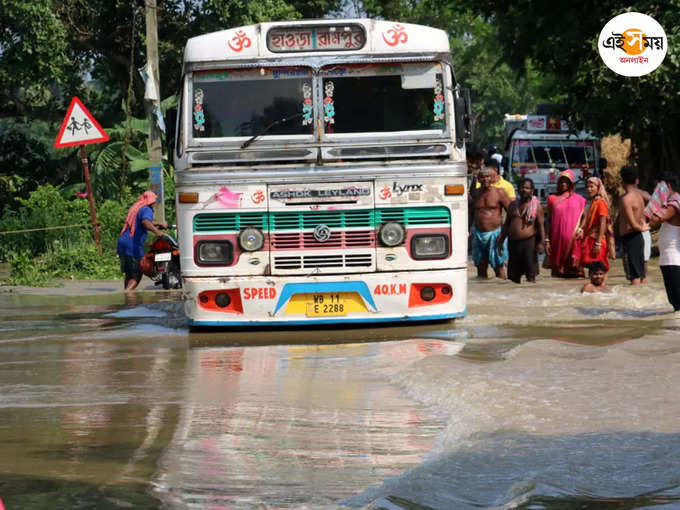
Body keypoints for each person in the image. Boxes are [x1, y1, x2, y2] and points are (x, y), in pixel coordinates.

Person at [498, 177, 545, 283]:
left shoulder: (536, 206)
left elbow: (541, 226)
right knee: (514, 278)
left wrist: (542, 242)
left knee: (530, 276)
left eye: (527, 188)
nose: (524, 190)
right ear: (518, 189)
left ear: (532, 190)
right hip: (513, 243)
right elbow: (506, 225)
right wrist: (500, 241)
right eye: (522, 187)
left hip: (529, 243)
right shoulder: (512, 205)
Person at [117, 191, 167, 291]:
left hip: (123, 242)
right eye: (154, 200)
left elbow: (142, 221)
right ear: (151, 200)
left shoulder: (138, 207)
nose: (155, 202)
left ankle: (128, 301)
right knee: (138, 273)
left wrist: (158, 224)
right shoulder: (147, 209)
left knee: (129, 273)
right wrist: (157, 232)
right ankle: (127, 295)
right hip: (132, 245)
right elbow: (145, 222)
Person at [545, 169, 586, 277]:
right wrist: (547, 239)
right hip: (556, 241)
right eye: (561, 181)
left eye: (566, 181)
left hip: (574, 241)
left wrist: (581, 229)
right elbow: (548, 220)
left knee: (576, 274)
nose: (564, 183)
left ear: (571, 183)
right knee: (557, 275)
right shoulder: (552, 199)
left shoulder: (579, 199)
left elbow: (585, 217)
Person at [472, 166, 511, 279]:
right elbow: (471, 211)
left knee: (498, 268)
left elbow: (511, 213)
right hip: (478, 234)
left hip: (495, 234)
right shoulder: (475, 194)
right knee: (480, 267)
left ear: (493, 178)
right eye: (482, 177)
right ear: (479, 179)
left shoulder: (500, 193)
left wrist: (504, 233)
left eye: (488, 176)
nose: (485, 179)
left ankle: (501, 293)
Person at [648, 176, 680, 312]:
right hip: (667, 259)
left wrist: (654, 203)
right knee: (674, 302)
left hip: (674, 259)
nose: (656, 192)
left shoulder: (674, 203)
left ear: (667, 186)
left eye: (658, 188)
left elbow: (656, 219)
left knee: (678, 301)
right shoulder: (670, 203)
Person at [617, 165, 649, 284]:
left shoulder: (625, 199)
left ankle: (633, 301)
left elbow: (633, 224)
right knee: (642, 274)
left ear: (622, 181)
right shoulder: (640, 197)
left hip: (630, 238)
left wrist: (641, 227)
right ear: (636, 180)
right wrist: (644, 227)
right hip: (639, 238)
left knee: (633, 276)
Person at [575, 176, 613, 273]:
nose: (589, 189)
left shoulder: (600, 203)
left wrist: (598, 243)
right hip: (591, 239)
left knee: (599, 271)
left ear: (598, 187)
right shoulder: (594, 201)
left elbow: (602, 223)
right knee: (593, 270)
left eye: (592, 187)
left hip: (597, 240)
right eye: (587, 187)